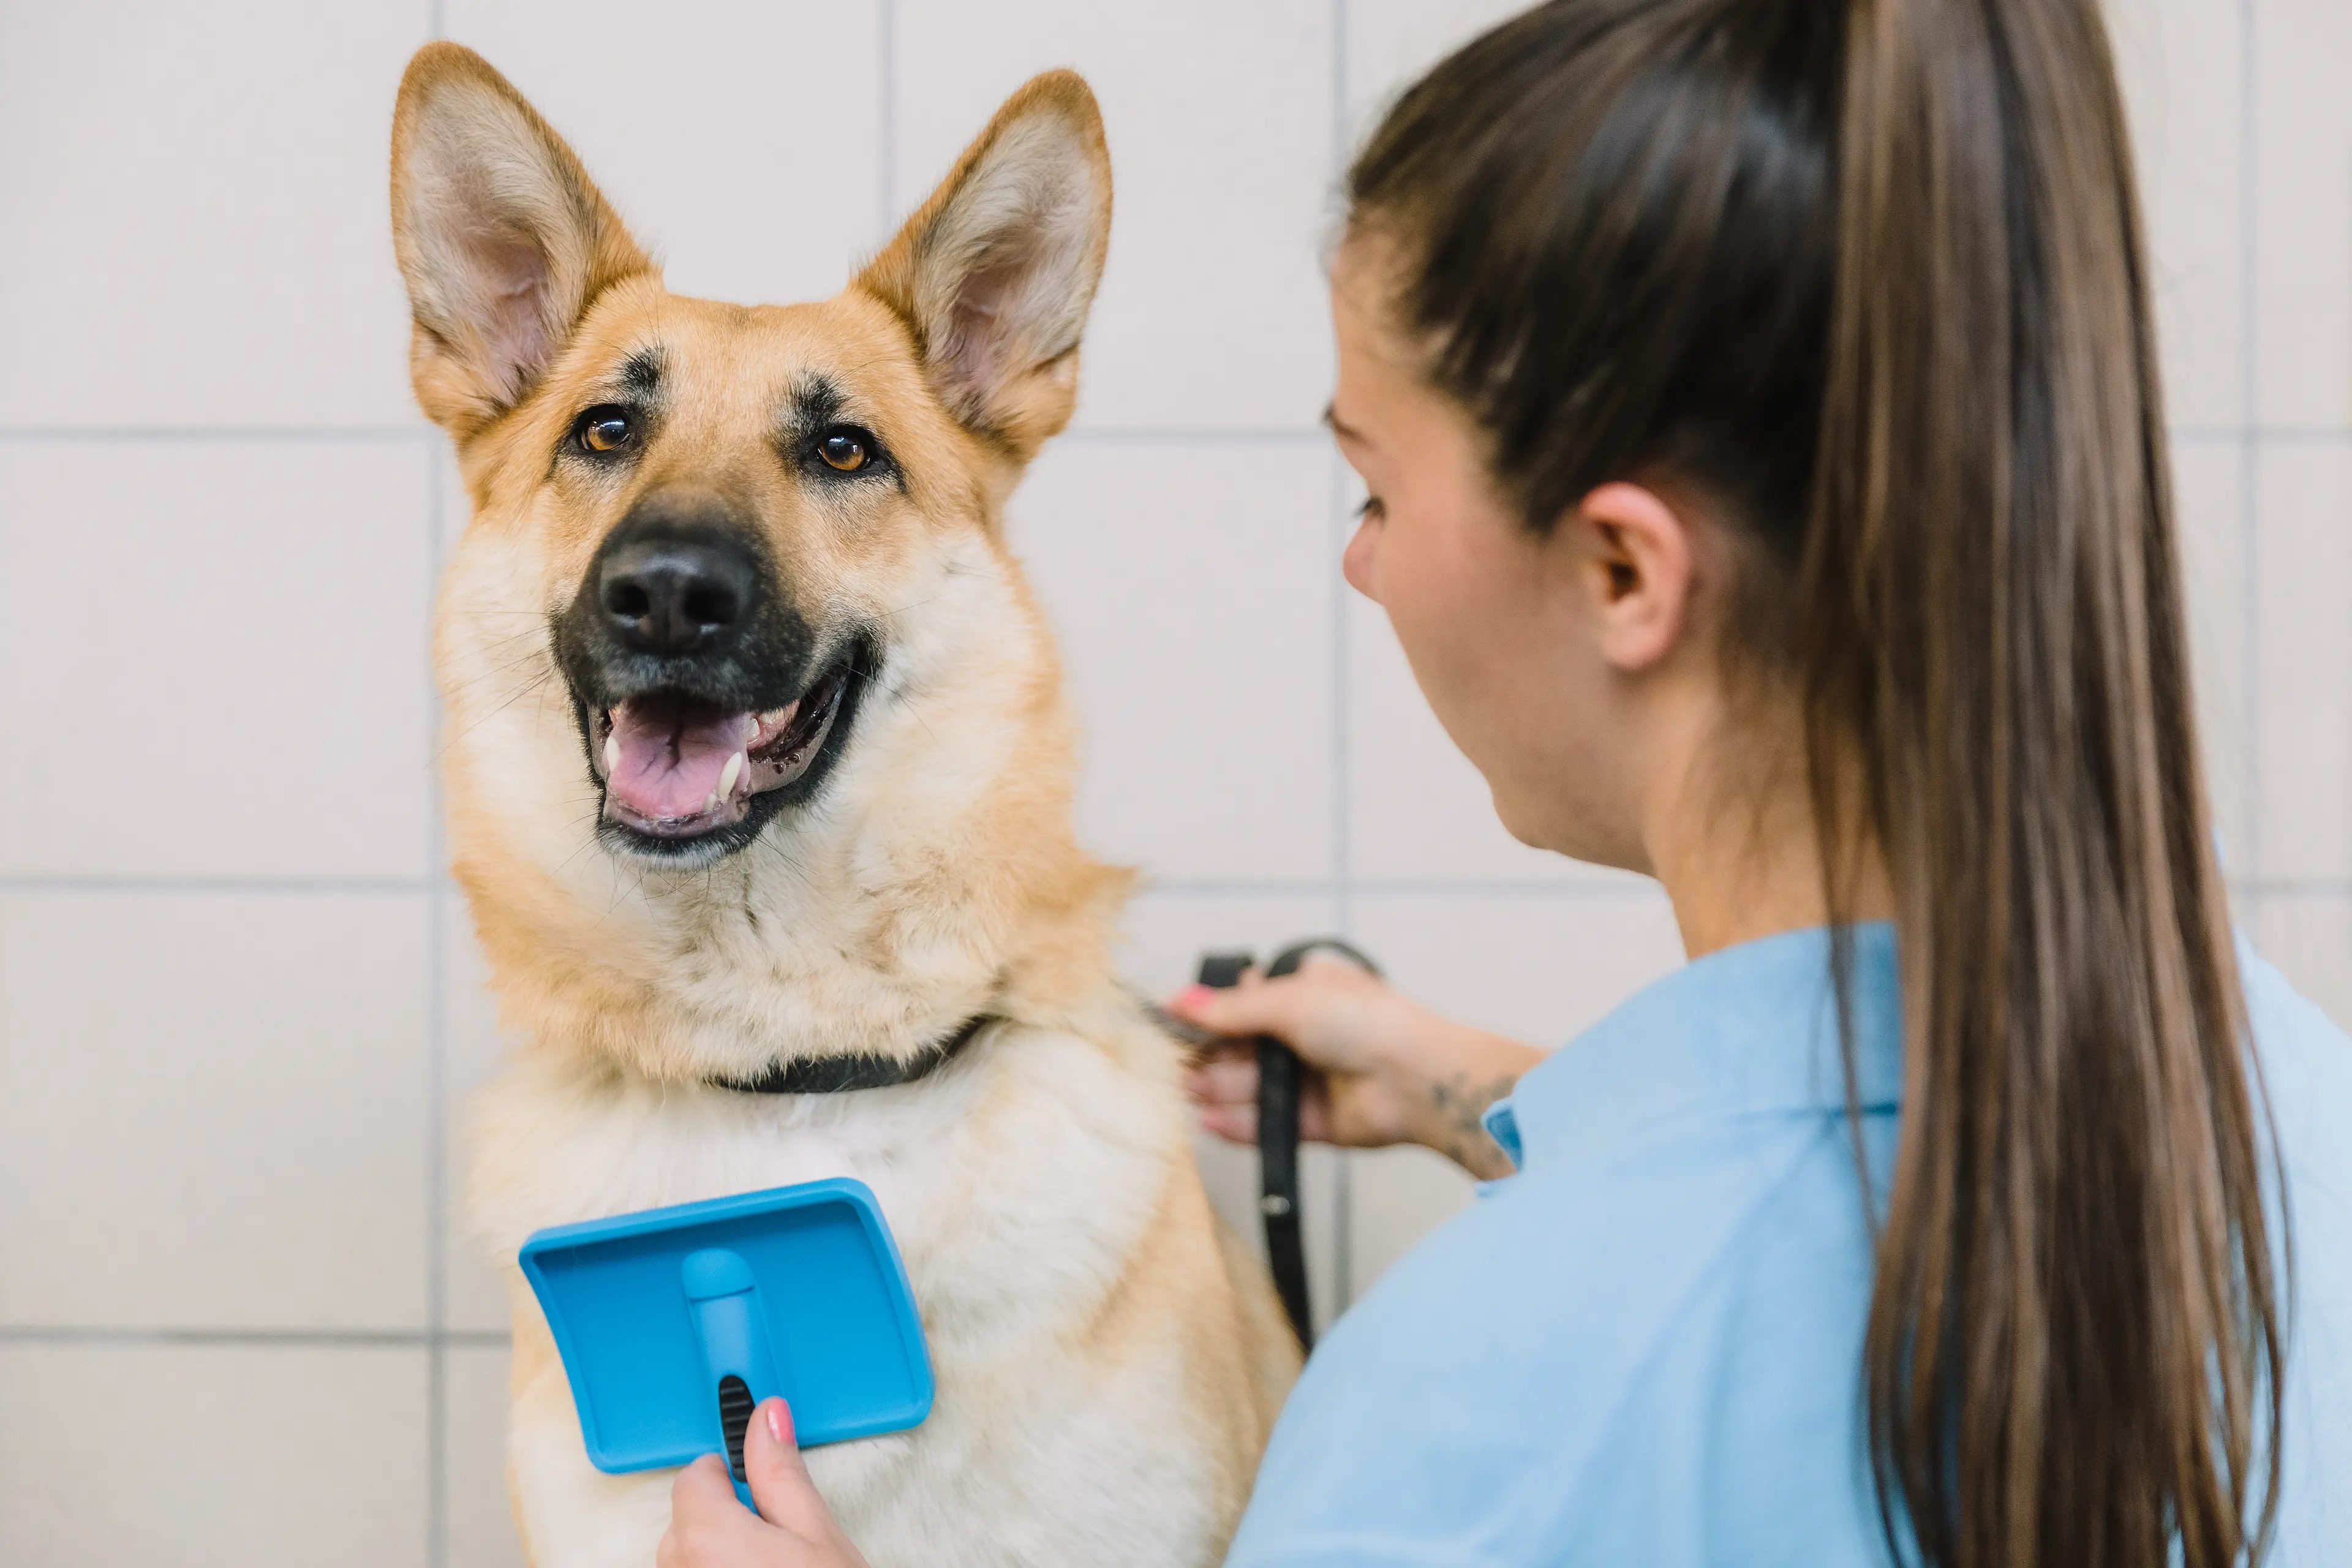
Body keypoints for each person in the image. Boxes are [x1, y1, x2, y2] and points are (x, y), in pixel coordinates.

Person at [658, 0, 2352, 1563]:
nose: (1365, 570)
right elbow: (1891, 1185)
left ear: (1626, 574)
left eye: (1377, 492)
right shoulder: (2286, 1108)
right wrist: (1452, 1090)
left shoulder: (1460, 1430)